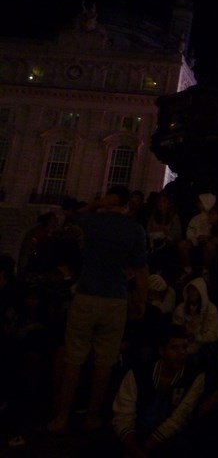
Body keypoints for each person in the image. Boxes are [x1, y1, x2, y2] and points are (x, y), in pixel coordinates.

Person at [47, 185, 149, 434]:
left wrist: (97, 203)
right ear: (127, 205)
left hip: (87, 293)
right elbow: (142, 270)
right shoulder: (135, 229)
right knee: (105, 360)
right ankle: (93, 417)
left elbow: (73, 215)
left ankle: (61, 416)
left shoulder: (94, 222)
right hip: (116, 297)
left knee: (74, 356)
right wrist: (140, 300)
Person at [111, 324, 205, 457]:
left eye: (184, 347)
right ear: (162, 351)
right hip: (137, 432)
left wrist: (144, 449)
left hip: (170, 437)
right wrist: (132, 447)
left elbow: (180, 418)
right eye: (174, 348)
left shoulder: (194, 376)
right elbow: (123, 414)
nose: (181, 353)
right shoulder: (139, 373)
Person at [171, 277, 218, 366]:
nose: (191, 293)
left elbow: (214, 333)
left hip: (202, 344)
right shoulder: (180, 309)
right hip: (183, 344)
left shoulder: (211, 310)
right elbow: (176, 329)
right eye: (190, 290)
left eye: (195, 290)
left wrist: (198, 337)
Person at [177, 192, 217, 283]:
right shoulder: (195, 218)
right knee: (182, 245)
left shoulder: (214, 218)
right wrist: (195, 240)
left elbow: (216, 233)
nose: (197, 204)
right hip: (194, 242)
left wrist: (207, 238)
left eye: (200, 202)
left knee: (210, 247)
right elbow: (190, 232)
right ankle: (187, 270)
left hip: (208, 243)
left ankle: (205, 271)